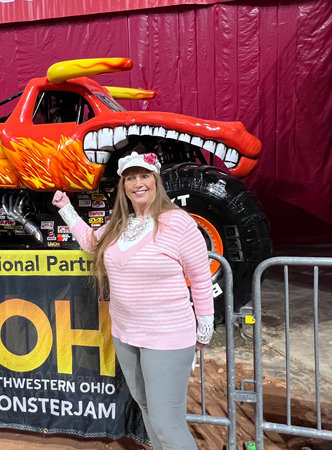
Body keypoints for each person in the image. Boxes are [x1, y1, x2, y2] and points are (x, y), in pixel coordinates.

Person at [52, 150, 214, 450]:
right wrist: (66, 209)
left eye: (144, 176)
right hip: (126, 334)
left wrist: (205, 324)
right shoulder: (118, 225)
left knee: (168, 422)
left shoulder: (178, 222)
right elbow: (91, 243)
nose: (137, 184)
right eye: (130, 178)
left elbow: (201, 277)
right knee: (147, 409)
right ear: (123, 186)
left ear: (156, 181)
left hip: (167, 337)